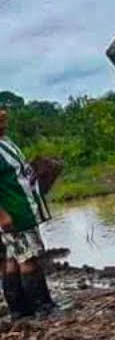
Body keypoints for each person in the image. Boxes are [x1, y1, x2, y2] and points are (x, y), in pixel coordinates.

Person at [0, 109, 55, 321]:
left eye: (4, 122)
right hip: (14, 213)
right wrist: (3, 216)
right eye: (1, 123)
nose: (4, 126)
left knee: (13, 257)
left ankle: (21, 309)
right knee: (29, 257)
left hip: (22, 207)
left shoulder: (5, 142)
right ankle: (43, 307)